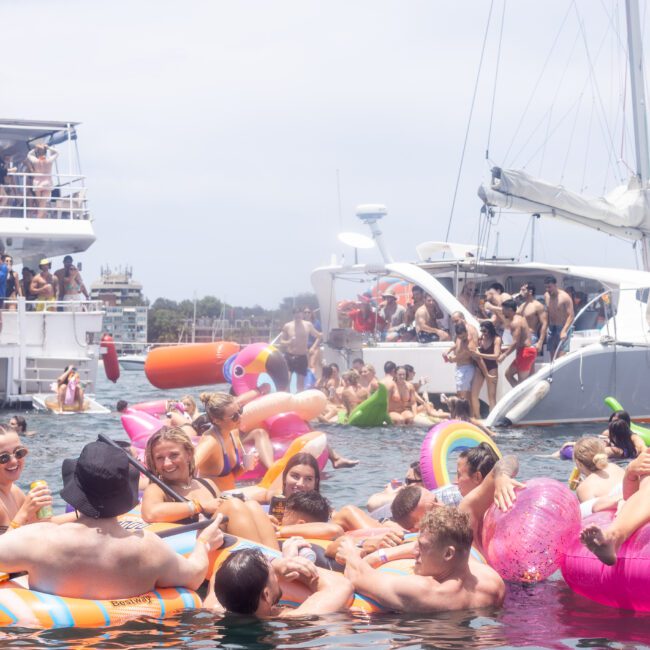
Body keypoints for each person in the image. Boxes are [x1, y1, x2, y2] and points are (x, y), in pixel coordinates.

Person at [0, 440, 226, 599]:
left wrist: (18, 521)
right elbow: (195, 576)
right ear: (125, 491)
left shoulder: (39, 539)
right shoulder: (149, 548)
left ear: (76, 489)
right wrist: (204, 543)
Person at [338, 507, 505, 613]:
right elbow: (467, 553)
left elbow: (357, 576)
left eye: (422, 546)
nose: (415, 551)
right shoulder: (493, 582)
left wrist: (350, 552)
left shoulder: (423, 591)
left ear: (447, 554)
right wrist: (383, 554)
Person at [141, 426, 278, 548]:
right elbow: (150, 513)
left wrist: (254, 519)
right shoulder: (157, 489)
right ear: (153, 462)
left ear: (188, 454)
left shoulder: (207, 484)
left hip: (223, 541)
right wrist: (199, 506)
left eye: (174, 455)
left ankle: (276, 562)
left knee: (252, 506)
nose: (167, 463)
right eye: (159, 458)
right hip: (196, 549)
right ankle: (266, 563)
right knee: (233, 506)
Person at [212, 541, 353, 617]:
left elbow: (220, 572)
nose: (277, 576)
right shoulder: (297, 619)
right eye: (273, 573)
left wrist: (278, 564)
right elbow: (340, 585)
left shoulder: (214, 608)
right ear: (266, 594)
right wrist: (292, 562)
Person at [580, 446, 650, 566]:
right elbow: (631, 498)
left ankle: (613, 537)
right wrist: (631, 472)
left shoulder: (584, 486)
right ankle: (612, 537)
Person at [195, 392, 259, 491]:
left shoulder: (233, 432)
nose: (240, 417)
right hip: (213, 500)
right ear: (216, 420)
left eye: (240, 411)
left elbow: (231, 476)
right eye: (234, 417)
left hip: (229, 494)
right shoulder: (211, 442)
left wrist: (245, 467)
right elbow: (188, 467)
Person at [0, 425, 53, 533]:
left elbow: (45, 524)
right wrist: (24, 513)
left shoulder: (14, 491)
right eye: (3, 457)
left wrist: (83, 515)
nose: (14, 461)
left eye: (19, 452)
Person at [572, 437, 625, 518]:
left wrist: (582, 487)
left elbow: (593, 519)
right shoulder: (616, 467)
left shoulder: (584, 488)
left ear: (579, 464)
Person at [444, 322, 487, 411]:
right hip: (460, 369)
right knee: (461, 394)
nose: (463, 338)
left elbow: (464, 355)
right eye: (460, 337)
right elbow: (456, 345)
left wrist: (452, 359)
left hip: (466, 368)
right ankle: (467, 414)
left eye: (464, 336)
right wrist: (448, 350)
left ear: (466, 332)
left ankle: (468, 415)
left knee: (464, 395)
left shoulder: (469, 343)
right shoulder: (459, 338)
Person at [279, 308, 322, 392]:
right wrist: (289, 342)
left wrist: (313, 347)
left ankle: (299, 403)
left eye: (299, 313)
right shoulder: (287, 326)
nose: (297, 315)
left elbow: (318, 336)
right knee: (287, 381)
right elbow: (281, 341)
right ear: (293, 315)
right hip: (289, 356)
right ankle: (287, 401)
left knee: (300, 385)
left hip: (302, 356)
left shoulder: (308, 325)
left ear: (302, 315)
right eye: (295, 314)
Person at [498, 299, 537, 386]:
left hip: (526, 353)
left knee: (522, 384)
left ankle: (523, 398)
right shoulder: (520, 318)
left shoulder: (515, 323)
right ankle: (521, 396)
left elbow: (515, 342)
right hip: (525, 352)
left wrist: (504, 355)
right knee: (508, 374)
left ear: (510, 310)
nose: (502, 312)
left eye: (503, 310)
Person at [470, 320, 502, 415]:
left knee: (491, 396)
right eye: (482, 331)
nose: (483, 333)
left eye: (485, 331)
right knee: (474, 394)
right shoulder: (481, 338)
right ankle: (478, 417)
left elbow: (496, 355)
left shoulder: (497, 339)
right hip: (480, 367)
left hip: (492, 367)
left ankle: (492, 418)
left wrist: (480, 354)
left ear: (490, 330)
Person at [544, 276, 574, 358]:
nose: (548, 289)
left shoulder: (565, 297)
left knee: (560, 358)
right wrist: (545, 329)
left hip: (562, 327)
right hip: (551, 328)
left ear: (555, 285)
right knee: (553, 358)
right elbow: (546, 313)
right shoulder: (546, 296)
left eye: (549, 287)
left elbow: (571, 316)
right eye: (546, 287)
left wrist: (564, 330)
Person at [26, 144, 58, 217]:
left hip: (37, 183)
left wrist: (35, 149)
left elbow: (29, 154)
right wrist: (49, 147)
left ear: (37, 152)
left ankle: (41, 217)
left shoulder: (35, 160)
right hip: (47, 183)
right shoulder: (49, 160)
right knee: (42, 203)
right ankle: (40, 218)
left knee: (40, 202)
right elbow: (57, 153)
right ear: (45, 152)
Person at [516, 283, 547, 356]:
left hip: (530, 336)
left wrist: (540, 342)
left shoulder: (538, 305)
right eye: (520, 290)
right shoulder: (521, 306)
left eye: (523, 290)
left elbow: (544, 323)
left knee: (529, 363)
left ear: (530, 292)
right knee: (520, 363)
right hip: (519, 337)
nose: (520, 292)